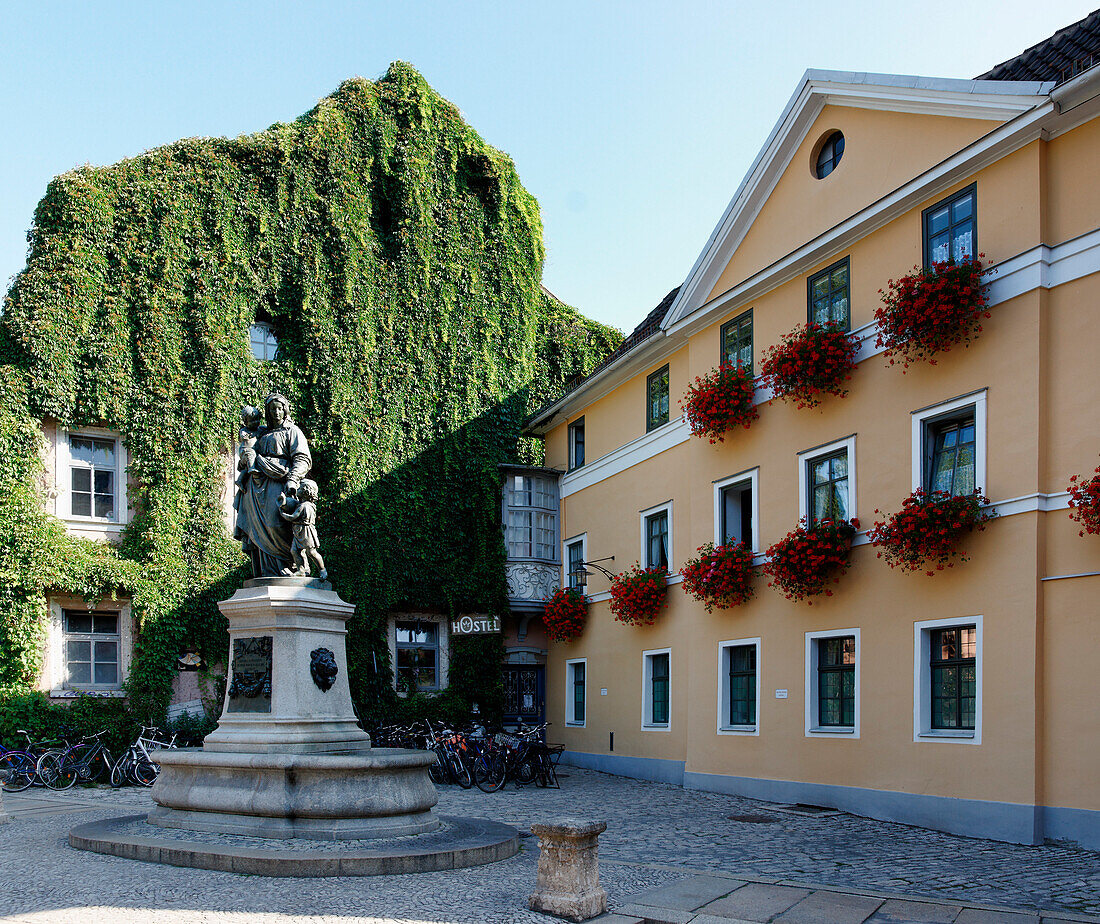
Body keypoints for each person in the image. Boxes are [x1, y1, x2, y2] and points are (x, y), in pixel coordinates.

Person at [234, 394, 312, 577]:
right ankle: (266, 573)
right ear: (267, 412)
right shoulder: (262, 432)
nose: (276, 412)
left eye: (279, 408)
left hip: (280, 483)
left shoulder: (292, 431)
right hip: (256, 488)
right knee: (258, 531)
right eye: (272, 409)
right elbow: (246, 452)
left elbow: (302, 458)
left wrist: (293, 479)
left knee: (276, 524)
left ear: (285, 410)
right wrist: (245, 458)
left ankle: (292, 566)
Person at [278, 479, 327, 581]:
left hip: (306, 531)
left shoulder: (304, 506)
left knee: (311, 552)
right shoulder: (301, 504)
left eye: (299, 488)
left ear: (305, 491)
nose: (297, 489)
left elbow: (293, 517)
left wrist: (282, 513)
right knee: (295, 551)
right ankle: (301, 570)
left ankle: (322, 570)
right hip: (298, 531)